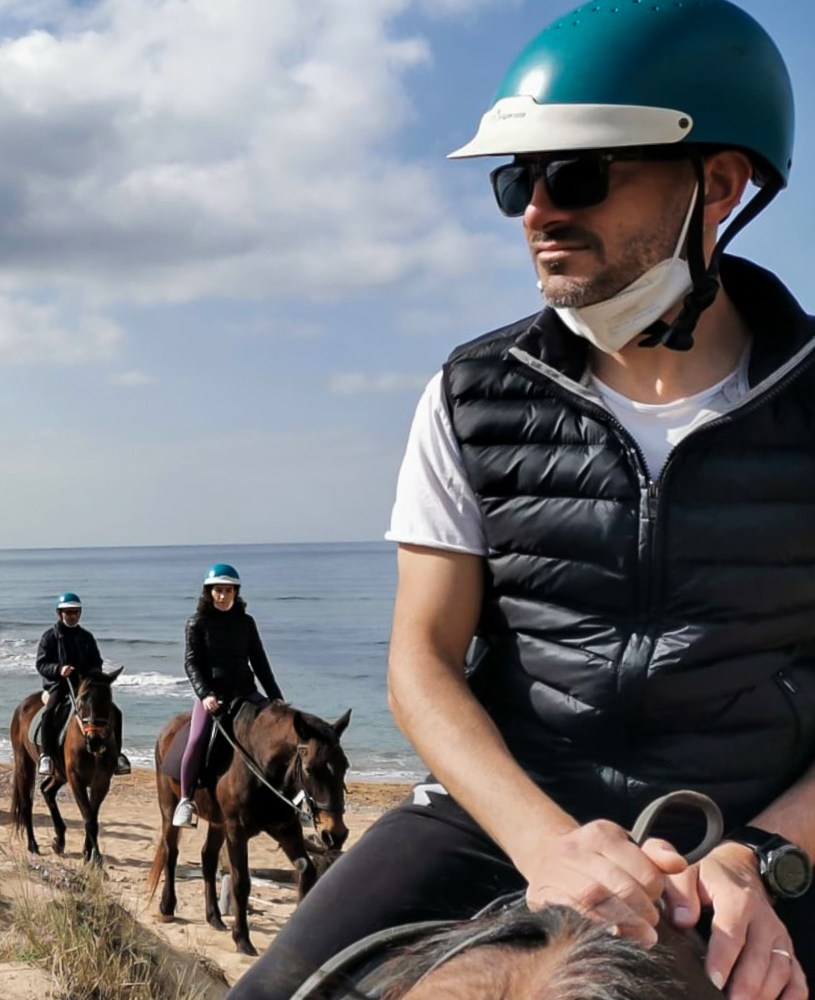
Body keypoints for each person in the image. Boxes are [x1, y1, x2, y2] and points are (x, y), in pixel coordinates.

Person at [230, 4, 814, 999]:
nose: (537, 211)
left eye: (576, 174)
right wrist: (542, 840)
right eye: (516, 181)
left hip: (763, 827)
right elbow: (421, 660)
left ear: (717, 184)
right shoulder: (470, 392)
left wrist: (762, 850)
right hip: (510, 813)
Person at [172, 563, 284, 828]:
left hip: (245, 691)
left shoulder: (246, 622)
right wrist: (205, 694)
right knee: (198, 738)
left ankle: (284, 797)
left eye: (227, 590)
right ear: (209, 593)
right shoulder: (197, 623)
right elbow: (192, 663)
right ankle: (186, 800)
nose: (222, 596)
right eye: (217, 591)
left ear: (236, 592)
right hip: (213, 695)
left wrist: (275, 697)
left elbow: (259, 662)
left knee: (278, 732)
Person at [34, 592, 131, 778]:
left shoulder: (86, 637)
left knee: (115, 712)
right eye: (68, 612)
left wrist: (92, 675)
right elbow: (41, 664)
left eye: (76, 612)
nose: (72, 616)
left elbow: (97, 661)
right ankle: (46, 755)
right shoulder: (50, 637)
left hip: (84, 685)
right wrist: (59, 670)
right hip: (59, 685)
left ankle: (117, 756)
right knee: (50, 712)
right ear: (60, 613)